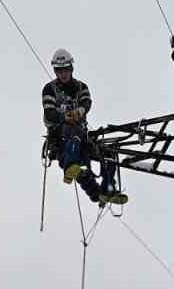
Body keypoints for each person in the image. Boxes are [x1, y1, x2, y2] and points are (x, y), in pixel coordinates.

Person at [42, 48, 127, 206]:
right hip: (60, 136)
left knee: (109, 152)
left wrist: (81, 110)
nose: (63, 74)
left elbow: (86, 102)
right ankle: (70, 165)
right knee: (75, 144)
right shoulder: (49, 89)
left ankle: (105, 190)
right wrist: (65, 117)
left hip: (80, 136)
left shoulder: (81, 87)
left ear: (71, 68)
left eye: (65, 69)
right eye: (59, 70)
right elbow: (49, 113)